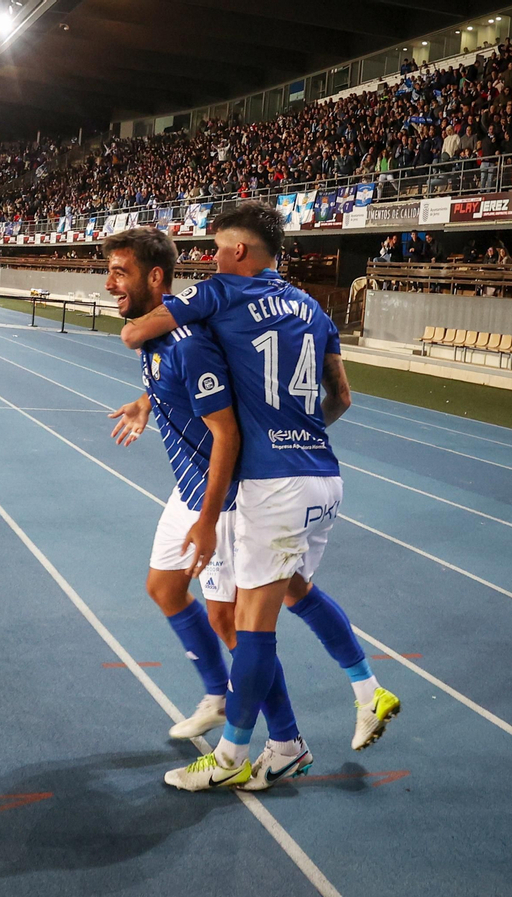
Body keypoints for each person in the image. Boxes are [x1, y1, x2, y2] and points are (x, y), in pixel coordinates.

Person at [121, 202, 401, 790]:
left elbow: (136, 332)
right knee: (295, 590)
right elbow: (342, 397)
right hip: (323, 475)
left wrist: (271, 449)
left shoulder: (222, 292)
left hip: (267, 483)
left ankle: (233, 756)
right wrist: (300, 436)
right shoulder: (313, 306)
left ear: (239, 252)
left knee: (248, 626)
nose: (210, 257)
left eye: (218, 247)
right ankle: (364, 691)